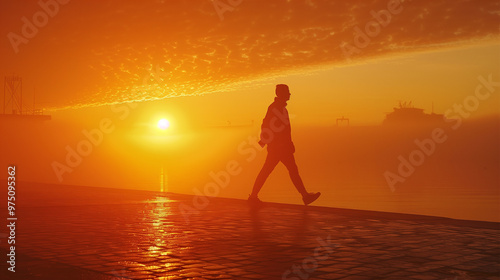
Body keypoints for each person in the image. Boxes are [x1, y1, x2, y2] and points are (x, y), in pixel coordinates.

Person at [248, 84, 321, 205]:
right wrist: (276, 143)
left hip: (280, 147)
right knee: (285, 171)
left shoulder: (280, 108)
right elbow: (268, 126)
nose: (290, 94)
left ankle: (254, 196)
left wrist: (287, 143)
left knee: (277, 171)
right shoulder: (275, 108)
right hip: (279, 148)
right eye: (287, 92)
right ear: (281, 94)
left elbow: (282, 129)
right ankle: (305, 196)